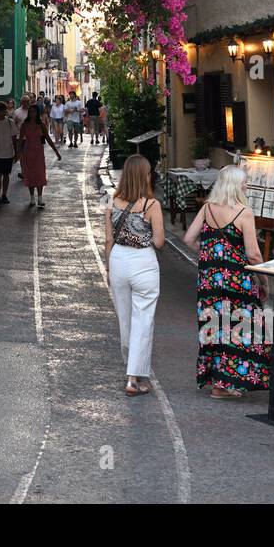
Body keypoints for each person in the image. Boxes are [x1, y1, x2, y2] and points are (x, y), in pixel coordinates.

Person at [182, 165, 270, 398]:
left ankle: (217, 384)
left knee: (215, 328)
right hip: (236, 282)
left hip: (209, 280)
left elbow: (189, 238)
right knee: (241, 330)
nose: (246, 186)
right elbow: (253, 254)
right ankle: (227, 383)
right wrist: (264, 281)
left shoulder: (207, 208)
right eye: (244, 183)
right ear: (235, 186)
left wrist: (210, 253)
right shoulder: (244, 212)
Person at [104, 155, 166, 396]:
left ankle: (131, 372)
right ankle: (134, 377)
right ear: (144, 176)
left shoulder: (112, 201)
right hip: (143, 262)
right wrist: (142, 235)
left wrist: (109, 268)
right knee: (143, 319)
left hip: (118, 260)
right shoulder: (152, 205)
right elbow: (159, 242)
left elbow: (108, 239)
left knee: (125, 319)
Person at [18, 103, 61, 208]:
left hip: (38, 152)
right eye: (31, 112)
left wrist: (56, 151)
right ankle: (32, 198)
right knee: (29, 174)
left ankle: (40, 198)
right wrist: (18, 153)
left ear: (37, 113)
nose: (32, 113)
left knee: (39, 173)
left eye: (34, 111)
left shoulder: (41, 125)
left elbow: (48, 138)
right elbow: (20, 140)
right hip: (27, 151)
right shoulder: (24, 125)